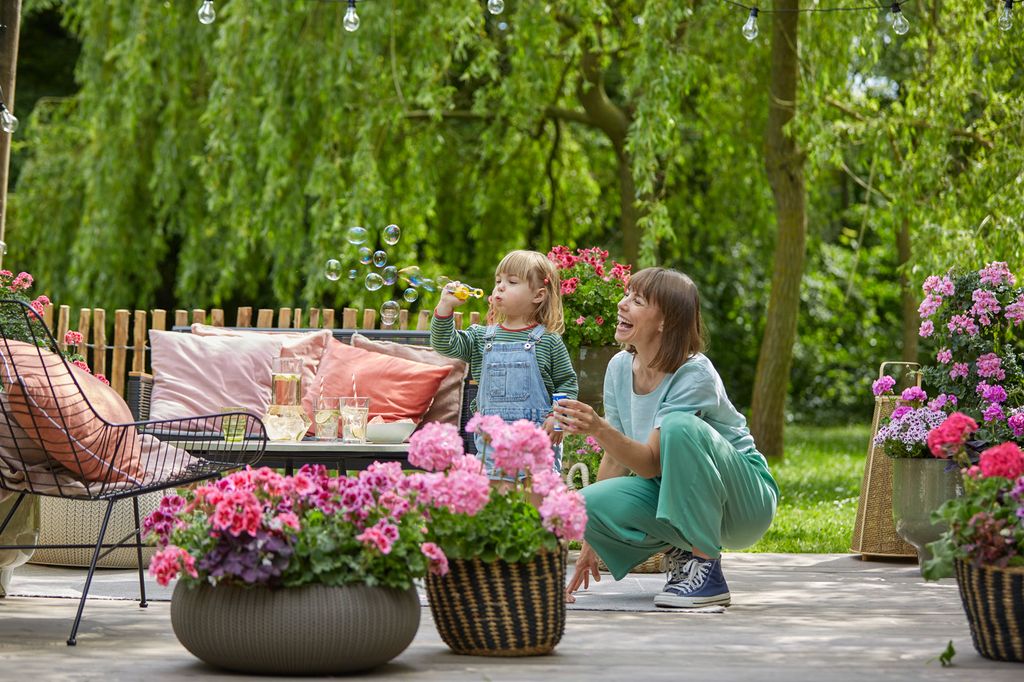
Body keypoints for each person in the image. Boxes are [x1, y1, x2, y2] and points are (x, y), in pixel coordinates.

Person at [557, 267, 778, 608]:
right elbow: (616, 456)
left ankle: (707, 570)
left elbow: (649, 463)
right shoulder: (618, 368)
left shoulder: (694, 372)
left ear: (664, 322)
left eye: (637, 300)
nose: (622, 304)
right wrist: (591, 542)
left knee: (678, 426)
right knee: (581, 506)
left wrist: (598, 427)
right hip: (675, 495)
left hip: (744, 501)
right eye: (626, 295)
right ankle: (683, 553)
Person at [430, 249, 579, 478]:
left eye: (511, 282)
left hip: (537, 445)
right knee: (497, 500)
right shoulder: (481, 338)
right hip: (492, 445)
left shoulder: (548, 341)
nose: (500, 286)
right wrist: (445, 307)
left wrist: (557, 419)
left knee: (534, 503)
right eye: (498, 281)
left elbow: (566, 383)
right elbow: (444, 344)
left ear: (538, 295)